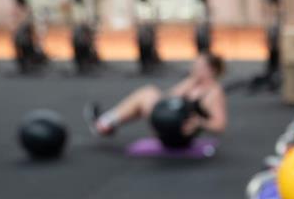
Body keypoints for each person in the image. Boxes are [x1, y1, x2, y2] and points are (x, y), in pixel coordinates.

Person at [85, 52, 228, 146]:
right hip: (169, 126)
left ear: (211, 70)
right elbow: (169, 98)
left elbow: (220, 125)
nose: (194, 69)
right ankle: (106, 123)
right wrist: (189, 83)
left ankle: (104, 123)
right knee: (146, 98)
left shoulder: (214, 92)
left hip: (181, 135)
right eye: (195, 65)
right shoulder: (192, 83)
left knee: (147, 93)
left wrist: (199, 122)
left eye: (199, 66)